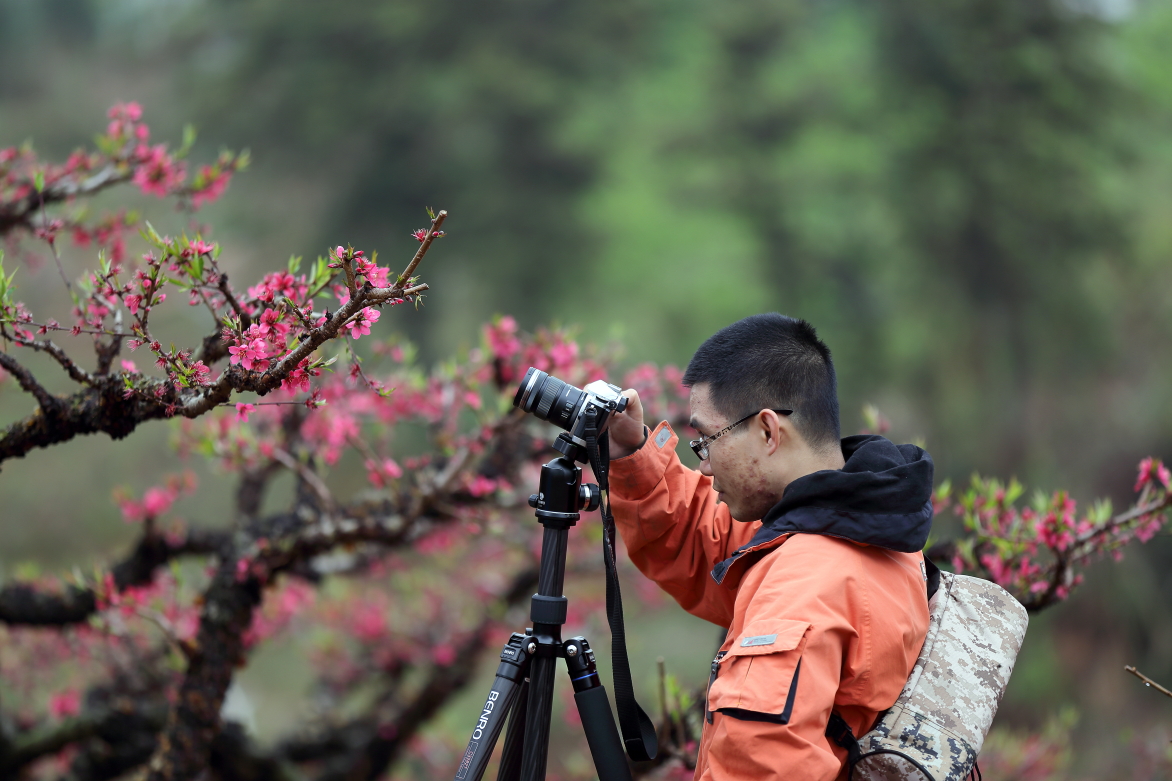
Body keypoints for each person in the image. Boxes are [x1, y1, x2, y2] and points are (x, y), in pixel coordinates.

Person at [606, 313, 933, 781]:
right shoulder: (858, 525)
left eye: (706, 440)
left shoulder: (807, 581)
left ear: (767, 430)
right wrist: (632, 452)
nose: (704, 465)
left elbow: (760, 761)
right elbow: (708, 542)